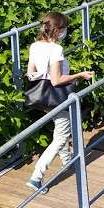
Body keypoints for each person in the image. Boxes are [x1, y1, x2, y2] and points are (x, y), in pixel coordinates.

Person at [26, 11, 94, 193]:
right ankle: (36, 177)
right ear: (56, 30)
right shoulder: (56, 49)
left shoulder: (34, 46)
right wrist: (80, 75)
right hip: (57, 97)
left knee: (61, 129)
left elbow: (30, 73)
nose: (65, 32)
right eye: (63, 29)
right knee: (61, 137)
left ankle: (67, 160)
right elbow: (56, 80)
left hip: (42, 97)